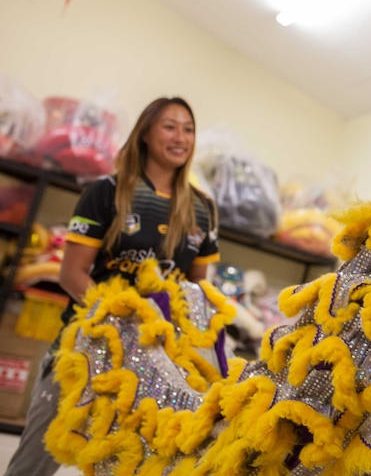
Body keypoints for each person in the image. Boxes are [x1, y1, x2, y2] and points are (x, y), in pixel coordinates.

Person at [4, 97, 220, 476]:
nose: (181, 137)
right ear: (146, 133)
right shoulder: (105, 191)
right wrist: (123, 318)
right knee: (33, 463)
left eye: (188, 129)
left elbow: (200, 291)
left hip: (159, 366)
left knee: (136, 466)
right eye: (170, 126)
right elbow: (72, 274)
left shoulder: (203, 208)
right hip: (86, 347)